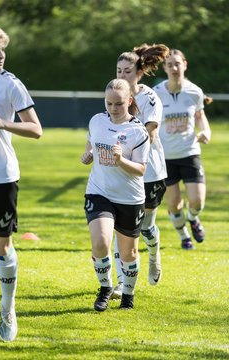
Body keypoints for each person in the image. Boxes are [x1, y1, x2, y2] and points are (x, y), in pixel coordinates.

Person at [0, 24, 42, 342]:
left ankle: (8, 308)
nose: (0, 54)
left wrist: (2, 121)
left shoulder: (10, 84)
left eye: (1, 49)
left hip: (0, 176)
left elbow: (36, 129)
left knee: (2, 247)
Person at [81, 78, 150, 311]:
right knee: (100, 242)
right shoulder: (97, 121)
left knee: (128, 253)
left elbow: (141, 170)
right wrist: (88, 153)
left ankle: (128, 295)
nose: (113, 109)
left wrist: (121, 160)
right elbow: (91, 141)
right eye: (109, 103)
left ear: (129, 101)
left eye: (118, 104)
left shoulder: (138, 132)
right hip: (99, 192)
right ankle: (105, 287)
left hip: (130, 198)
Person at [111, 43, 169, 298]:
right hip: (122, 171)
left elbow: (152, 133)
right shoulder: (115, 95)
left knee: (145, 228)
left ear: (139, 72)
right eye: (118, 71)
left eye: (126, 71)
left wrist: (127, 143)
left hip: (150, 172)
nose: (121, 76)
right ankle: (122, 282)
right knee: (120, 227)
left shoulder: (149, 98)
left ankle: (154, 256)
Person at [153, 48, 211, 249]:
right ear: (165, 68)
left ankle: (193, 219)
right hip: (166, 157)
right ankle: (184, 236)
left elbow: (199, 116)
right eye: (170, 64)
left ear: (185, 65)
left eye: (177, 63)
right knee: (173, 204)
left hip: (190, 153)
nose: (174, 67)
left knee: (197, 201)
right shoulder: (157, 93)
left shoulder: (195, 92)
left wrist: (206, 131)